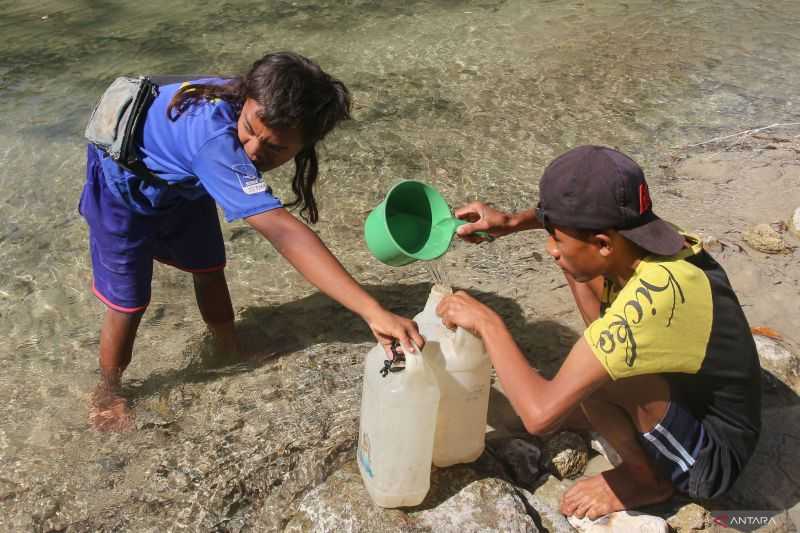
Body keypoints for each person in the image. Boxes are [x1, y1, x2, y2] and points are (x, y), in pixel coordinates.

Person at [79, 52, 424, 432]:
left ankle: (229, 347)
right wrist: (373, 311)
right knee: (129, 302)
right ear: (244, 100)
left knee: (209, 266)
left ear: (307, 143)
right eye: (249, 130)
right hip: (122, 183)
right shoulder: (215, 145)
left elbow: (261, 185)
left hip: (180, 179)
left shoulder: (259, 105)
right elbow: (283, 231)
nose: (253, 151)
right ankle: (108, 391)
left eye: (275, 148)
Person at [438, 145, 761, 518]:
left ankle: (647, 480)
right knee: (580, 283)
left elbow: (539, 418)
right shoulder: (646, 240)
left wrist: (488, 323)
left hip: (710, 457)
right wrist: (511, 222)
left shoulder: (655, 298)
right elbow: (582, 235)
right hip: (690, 396)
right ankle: (615, 409)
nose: (551, 247)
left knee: (601, 376)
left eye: (556, 237)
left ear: (603, 243)